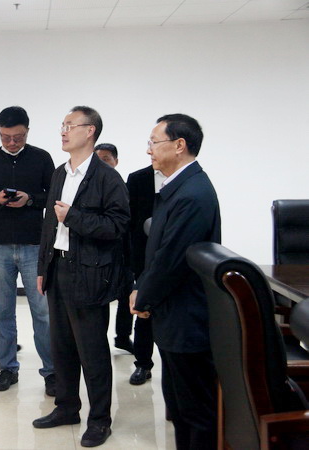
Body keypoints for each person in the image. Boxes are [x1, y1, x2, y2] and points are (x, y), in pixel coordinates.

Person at [33, 106, 130, 447]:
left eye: (70, 125)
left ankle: (100, 420)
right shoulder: (60, 173)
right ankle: (66, 407)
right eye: (62, 125)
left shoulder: (107, 178)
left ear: (90, 131)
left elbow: (117, 226)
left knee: (92, 351)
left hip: (89, 274)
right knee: (61, 346)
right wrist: (42, 267)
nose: (63, 131)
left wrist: (74, 217)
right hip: (58, 268)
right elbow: (49, 223)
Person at [131, 114, 221, 450]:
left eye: (154, 142)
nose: (149, 150)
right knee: (179, 408)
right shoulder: (179, 187)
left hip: (187, 319)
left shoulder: (192, 194)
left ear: (179, 145)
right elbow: (159, 252)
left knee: (195, 411)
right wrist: (142, 288)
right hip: (173, 315)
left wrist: (143, 296)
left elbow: (172, 260)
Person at [0, 106, 55, 394]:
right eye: (5, 137)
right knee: (2, 312)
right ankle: (8, 368)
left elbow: (53, 197)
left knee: (42, 312)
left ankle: (51, 372)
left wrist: (29, 199)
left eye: (18, 137)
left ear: (27, 132)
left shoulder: (42, 158)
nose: (11, 142)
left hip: (34, 244)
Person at [125, 163, 166, 385]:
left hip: (173, 254)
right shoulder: (138, 179)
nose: (151, 150)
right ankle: (143, 363)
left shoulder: (186, 180)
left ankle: (172, 364)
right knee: (143, 310)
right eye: (150, 146)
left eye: (155, 145)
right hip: (144, 255)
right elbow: (128, 220)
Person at [94, 143, 135, 354]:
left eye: (106, 159)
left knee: (126, 296)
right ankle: (98, 340)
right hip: (99, 254)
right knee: (101, 299)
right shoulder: (89, 190)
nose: (102, 163)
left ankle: (123, 337)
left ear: (116, 162)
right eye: (98, 159)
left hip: (123, 252)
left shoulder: (123, 187)